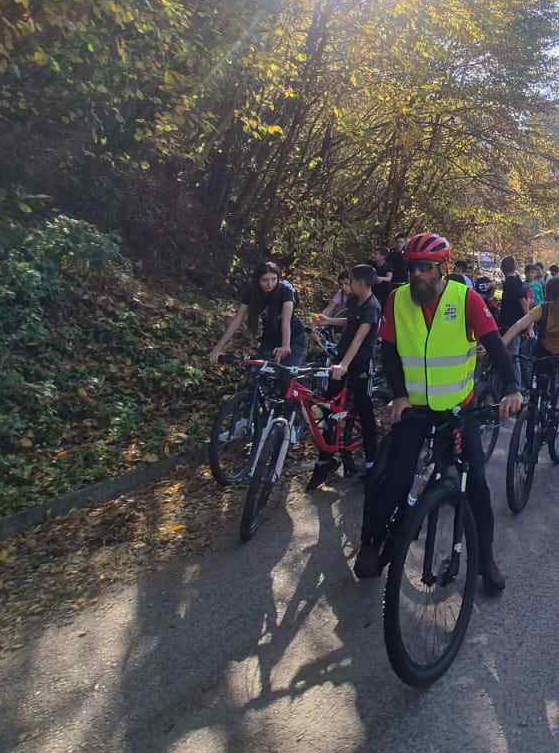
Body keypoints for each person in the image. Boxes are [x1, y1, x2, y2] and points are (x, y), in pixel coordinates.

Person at [354, 233, 523, 591]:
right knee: (391, 479)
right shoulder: (397, 301)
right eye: (412, 267)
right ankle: (371, 542)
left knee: (476, 485)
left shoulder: (466, 301)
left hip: (458, 411)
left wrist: (511, 388)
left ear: (443, 268)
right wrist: (398, 395)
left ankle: (486, 560)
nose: (418, 275)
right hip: (414, 407)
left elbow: (495, 347)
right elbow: (388, 352)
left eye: (426, 268)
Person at [502, 275, 559, 476]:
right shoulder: (543, 309)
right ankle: (529, 444)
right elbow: (519, 325)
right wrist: (500, 345)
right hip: (546, 352)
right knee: (535, 399)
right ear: (552, 299)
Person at [309, 263, 382, 490]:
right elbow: (350, 321)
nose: (347, 284)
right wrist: (328, 321)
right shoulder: (353, 300)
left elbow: (359, 338)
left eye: (350, 280)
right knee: (329, 407)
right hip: (341, 359)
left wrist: (344, 365)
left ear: (362, 283)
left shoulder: (372, 306)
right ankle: (327, 458)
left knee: (364, 410)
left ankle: (372, 463)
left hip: (358, 364)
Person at [209, 261, 305, 369]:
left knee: (286, 374)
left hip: (293, 337)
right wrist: (218, 347)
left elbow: (285, 320)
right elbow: (237, 320)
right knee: (258, 373)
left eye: (274, 279)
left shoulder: (285, 291)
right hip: (270, 337)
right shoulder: (252, 291)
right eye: (265, 280)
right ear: (257, 280)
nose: (270, 284)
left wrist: (285, 346)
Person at [498, 255, 528, 347]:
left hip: (511, 322)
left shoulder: (511, 282)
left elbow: (523, 301)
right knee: (513, 348)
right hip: (514, 321)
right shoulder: (515, 280)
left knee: (513, 350)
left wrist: (529, 319)